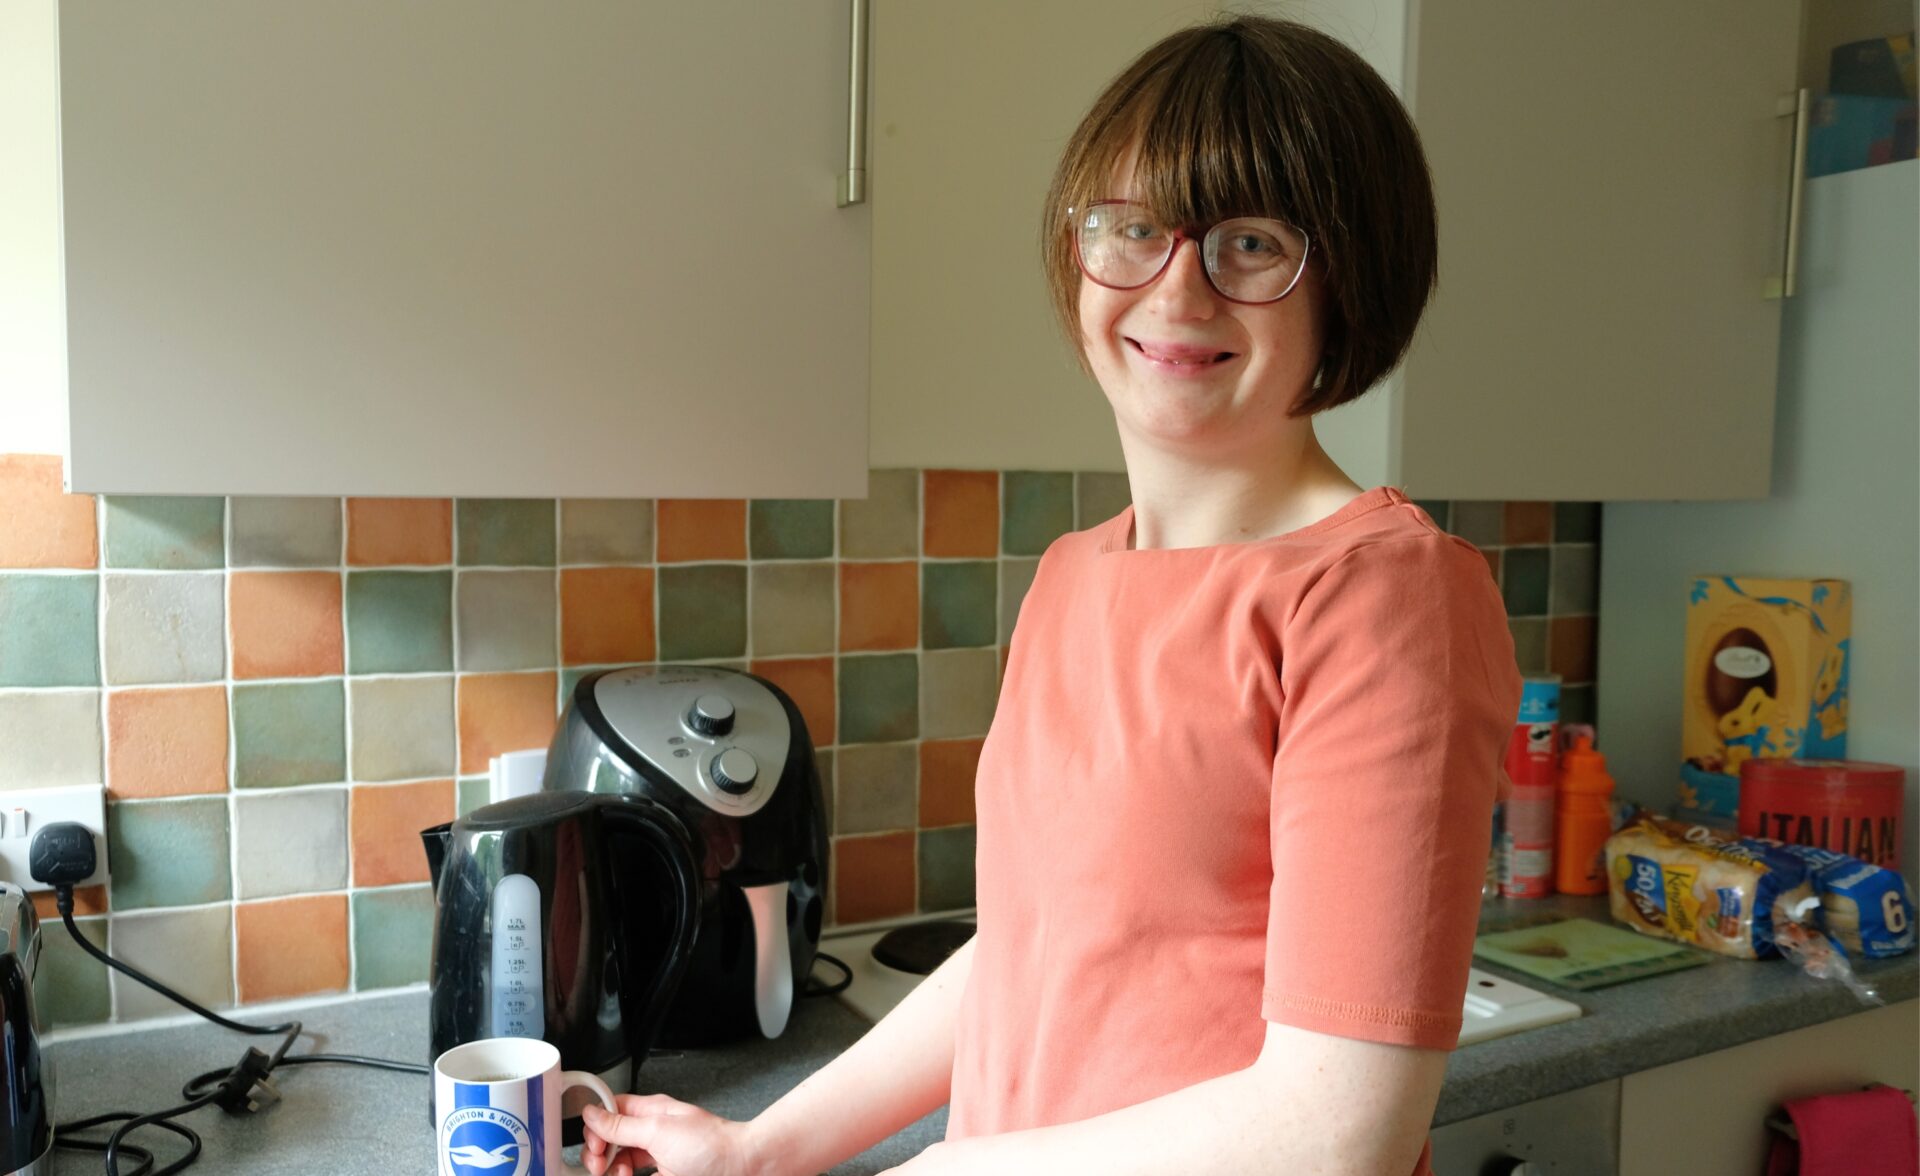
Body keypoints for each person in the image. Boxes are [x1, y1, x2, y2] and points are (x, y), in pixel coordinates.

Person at [583, 15, 1521, 1176]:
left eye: (1251, 242)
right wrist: (761, 1149)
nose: (1179, 290)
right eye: (1132, 229)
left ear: (1350, 274)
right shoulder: (1073, 575)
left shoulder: (1385, 596)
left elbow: (1337, 1127)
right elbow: (1027, 951)